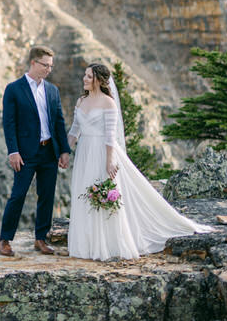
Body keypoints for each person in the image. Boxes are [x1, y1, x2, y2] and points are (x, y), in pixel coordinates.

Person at [67, 62, 214, 260]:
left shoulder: (108, 103)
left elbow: (110, 136)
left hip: (102, 153)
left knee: (101, 194)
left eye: (88, 76)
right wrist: (65, 151)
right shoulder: (80, 101)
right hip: (84, 153)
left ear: (99, 80)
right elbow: (75, 130)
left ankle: (107, 245)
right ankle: (87, 243)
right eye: (84, 75)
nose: (84, 79)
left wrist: (110, 161)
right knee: (83, 194)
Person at [0, 46, 71, 256]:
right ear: (33, 63)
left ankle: (41, 239)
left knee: (46, 196)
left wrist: (64, 150)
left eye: (51, 66)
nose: (49, 69)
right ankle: (4, 239)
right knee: (18, 195)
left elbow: (59, 121)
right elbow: (9, 123)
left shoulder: (52, 90)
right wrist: (13, 151)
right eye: (45, 65)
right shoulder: (14, 89)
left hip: (49, 152)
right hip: (25, 154)